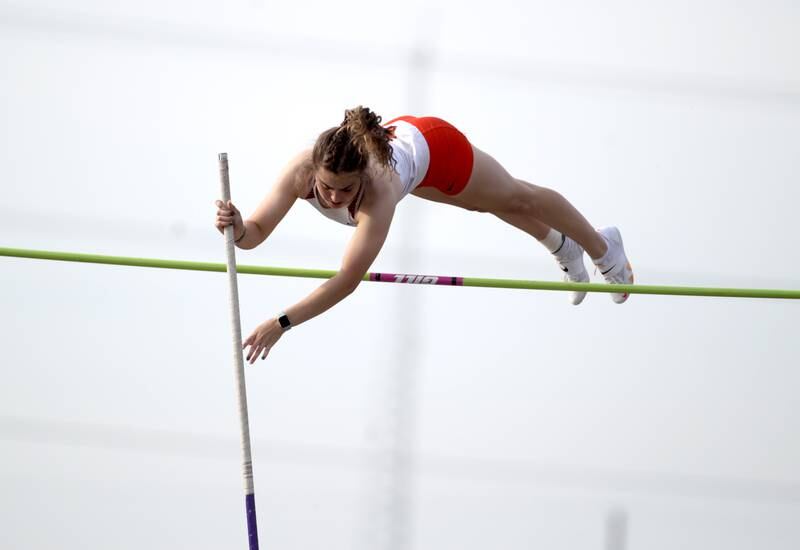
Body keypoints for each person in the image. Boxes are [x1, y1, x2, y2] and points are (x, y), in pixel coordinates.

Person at [214, 106, 633, 364]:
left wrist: (282, 322)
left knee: (517, 198)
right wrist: (237, 228)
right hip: (408, 153)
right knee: (483, 203)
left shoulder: (378, 197)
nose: (335, 197)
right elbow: (255, 235)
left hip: (434, 147)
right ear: (314, 172)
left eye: (346, 189)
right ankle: (565, 247)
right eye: (327, 188)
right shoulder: (300, 171)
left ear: (362, 176)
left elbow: (346, 281)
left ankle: (603, 247)